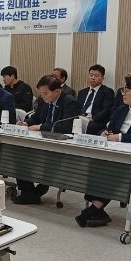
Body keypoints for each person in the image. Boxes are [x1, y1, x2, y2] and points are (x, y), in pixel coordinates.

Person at [76, 75, 131, 227]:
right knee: (95, 164)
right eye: (123, 90)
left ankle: (94, 209)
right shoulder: (121, 110)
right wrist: (104, 133)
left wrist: (120, 137)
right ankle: (98, 209)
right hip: (116, 155)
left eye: (127, 91)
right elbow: (110, 129)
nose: (123, 94)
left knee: (113, 170)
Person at [14, 75, 79, 205]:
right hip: (41, 140)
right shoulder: (44, 100)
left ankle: (39, 191)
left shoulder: (69, 102)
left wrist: (39, 127)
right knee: (19, 153)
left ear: (57, 91)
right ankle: (28, 192)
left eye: (45, 93)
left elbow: (65, 126)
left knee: (49, 160)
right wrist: (26, 123)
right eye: (41, 93)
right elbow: (36, 117)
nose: (43, 96)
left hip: (60, 143)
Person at [77, 64, 115, 135]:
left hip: (96, 121)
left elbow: (106, 110)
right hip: (80, 119)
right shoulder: (82, 92)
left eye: (96, 76)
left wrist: (92, 119)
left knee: (88, 127)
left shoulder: (107, 92)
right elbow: (77, 108)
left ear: (102, 78)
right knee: (67, 124)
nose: (93, 78)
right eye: (91, 75)